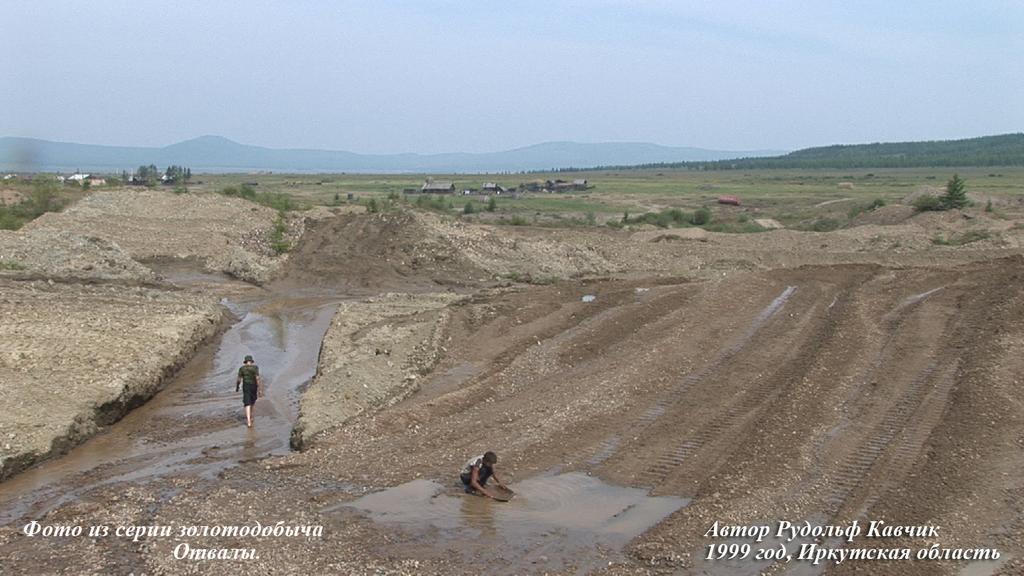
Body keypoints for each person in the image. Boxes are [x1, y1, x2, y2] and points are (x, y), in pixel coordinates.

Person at [235, 355, 263, 428]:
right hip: (253, 386)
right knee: (252, 401)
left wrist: (237, 387)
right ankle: (251, 416)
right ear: (251, 361)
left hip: (246, 386)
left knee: (247, 402)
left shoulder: (241, 369)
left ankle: (248, 421)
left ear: (245, 362)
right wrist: (260, 389)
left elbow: (239, 379)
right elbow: (257, 378)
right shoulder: (255, 368)